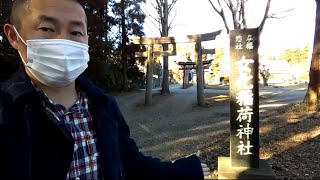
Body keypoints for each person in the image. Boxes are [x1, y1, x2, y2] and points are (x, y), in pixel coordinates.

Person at [0, 0, 210, 179]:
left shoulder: (102, 104)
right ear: (14, 36)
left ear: (86, 40)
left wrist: (183, 171)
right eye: (46, 29)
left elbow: (131, 164)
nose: (63, 41)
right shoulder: (6, 111)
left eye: (75, 32)